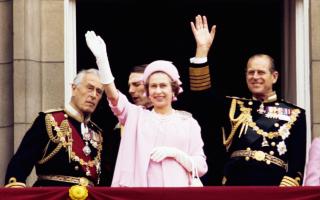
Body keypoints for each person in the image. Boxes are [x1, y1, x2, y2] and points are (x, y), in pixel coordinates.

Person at [188, 15, 306, 186]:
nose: (255, 77)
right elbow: (201, 97)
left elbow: (296, 166)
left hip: (272, 188)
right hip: (236, 186)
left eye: (260, 72)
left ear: (274, 77)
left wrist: (284, 193)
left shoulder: (295, 114)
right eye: (250, 72)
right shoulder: (234, 106)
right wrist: (202, 51)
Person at [85, 30, 207, 187]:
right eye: (153, 86)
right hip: (143, 193)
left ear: (173, 89)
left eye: (163, 86)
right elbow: (114, 97)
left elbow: (201, 166)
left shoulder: (188, 123)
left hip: (179, 193)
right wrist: (102, 61)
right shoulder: (135, 116)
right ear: (148, 91)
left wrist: (177, 154)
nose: (158, 91)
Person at [4, 69, 107, 187]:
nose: (94, 95)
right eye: (89, 88)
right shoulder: (49, 120)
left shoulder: (97, 133)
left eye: (99, 91)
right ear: (74, 88)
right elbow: (20, 163)